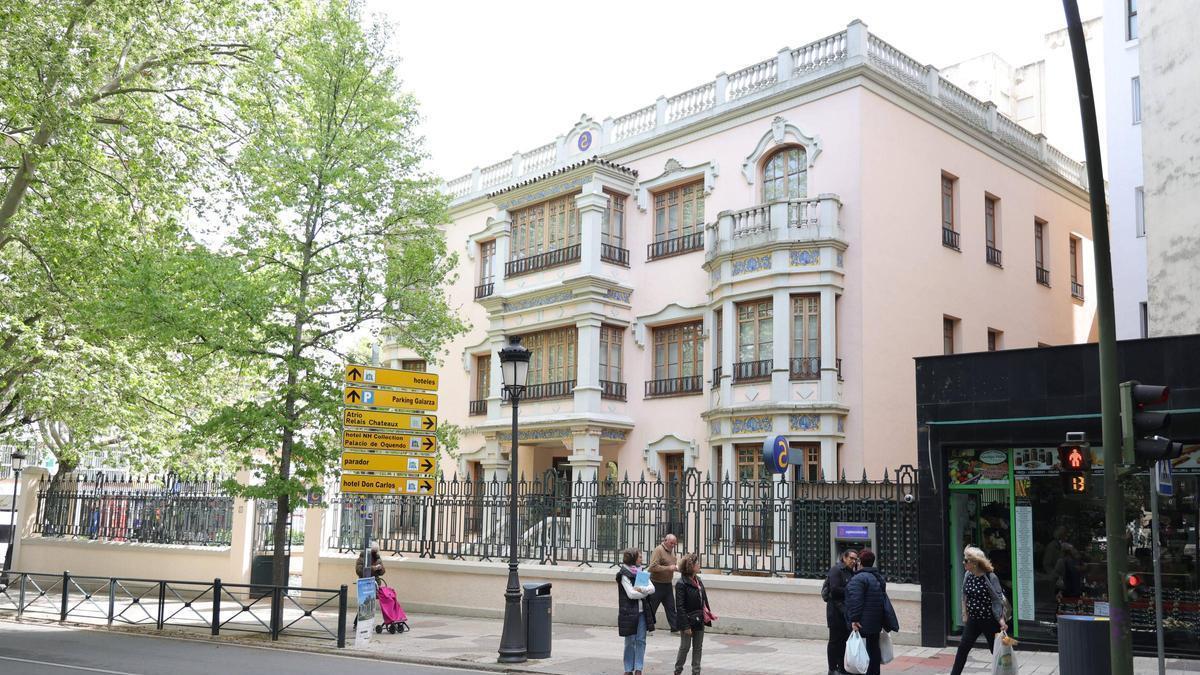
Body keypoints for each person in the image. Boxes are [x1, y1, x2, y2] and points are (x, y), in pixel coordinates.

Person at [951, 546, 1008, 675]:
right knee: (963, 648)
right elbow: (964, 594)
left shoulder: (990, 577)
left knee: (997, 651)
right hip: (973, 620)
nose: (963, 562)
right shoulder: (968, 575)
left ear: (975, 563)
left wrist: (1001, 620)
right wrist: (965, 613)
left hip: (989, 621)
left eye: (966, 560)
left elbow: (997, 600)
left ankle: (1006, 672)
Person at [845, 549, 898, 675]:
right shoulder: (878, 577)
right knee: (874, 649)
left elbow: (856, 601)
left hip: (863, 623)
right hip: (876, 622)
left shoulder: (858, 579)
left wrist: (854, 619)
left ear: (860, 562)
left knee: (862, 653)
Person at [616, 547, 656, 675]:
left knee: (641, 640)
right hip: (628, 613)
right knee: (629, 642)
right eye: (639, 557)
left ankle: (639, 668)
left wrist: (641, 590)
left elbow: (652, 588)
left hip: (642, 613)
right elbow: (631, 594)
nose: (642, 559)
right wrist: (644, 592)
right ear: (633, 558)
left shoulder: (641, 572)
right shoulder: (623, 574)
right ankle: (628, 669)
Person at [673, 553, 713, 675]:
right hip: (688, 621)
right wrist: (685, 626)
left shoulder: (698, 580)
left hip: (699, 618)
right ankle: (678, 671)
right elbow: (680, 607)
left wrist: (708, 614)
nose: (699, 565)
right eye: (697, 563)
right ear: (691, 566)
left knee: (698, 648)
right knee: (685, 647)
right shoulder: (681, 583)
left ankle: (696, 672)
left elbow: (703, 599)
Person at [825, 549, 859, 675]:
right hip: (835, 611)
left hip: (846, 612)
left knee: (844, 641)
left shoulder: (852, 572)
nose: (853, 561)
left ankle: (841, 668)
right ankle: (832, 668)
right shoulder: (836, 570)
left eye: (855, 559)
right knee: (834, 641)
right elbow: (834, 590)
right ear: (844, 558)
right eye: (851, 558)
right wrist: (850, 590)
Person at [648, 533, 681, 632]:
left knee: (671, 608)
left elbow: (671, 565)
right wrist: (668, 568)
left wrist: (675, 568)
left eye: (674, 544)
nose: (673, 545)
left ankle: (675, 628)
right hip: (656, 584)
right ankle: (647, 628)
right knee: (652, 608)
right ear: (665, 540)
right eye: (671, 543)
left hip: (667, 584)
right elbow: (652, 567)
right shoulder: (659, 550)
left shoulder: (671, 551)